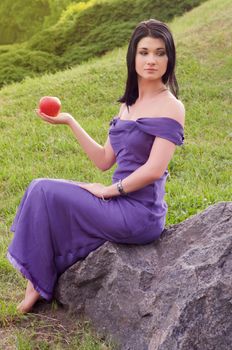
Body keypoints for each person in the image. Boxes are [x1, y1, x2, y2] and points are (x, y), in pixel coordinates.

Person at [7, 19, 185, 313]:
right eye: (144, 52)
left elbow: (154, 169)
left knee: (43, 190)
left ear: (169, 58)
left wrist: (108, 191)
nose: (152, 60)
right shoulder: (128, 105)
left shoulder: (171, 106)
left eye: (160, 52)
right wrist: (70, 121)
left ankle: (38, 281)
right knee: (42, 191)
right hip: (117, 202)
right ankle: (38, 276)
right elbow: (104, 159)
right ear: (133, 57)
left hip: (139, 213)